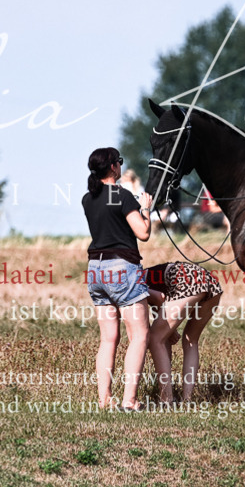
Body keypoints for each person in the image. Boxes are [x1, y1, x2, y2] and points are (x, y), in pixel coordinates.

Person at [82, 147, 154, 411]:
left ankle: (104, 400)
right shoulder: (121, 196)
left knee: (108, 338)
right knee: (140, 335)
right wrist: (145, 209)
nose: (121, 165)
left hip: (95, 269)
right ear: (113, 166)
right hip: (122, 268)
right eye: (119, 162)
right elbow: (143, 233)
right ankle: (130, 400)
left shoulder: (87, 198)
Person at [143, 262, 223, 404]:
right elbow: (161, 312)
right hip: (211, 282)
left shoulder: (134, 284)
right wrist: (170, 331)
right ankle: (187, 399)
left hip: (189, 281)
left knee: (155, 338)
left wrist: (170, 330)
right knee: (190, 339)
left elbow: (160, 298)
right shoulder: (146, 275)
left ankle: (166, 400)